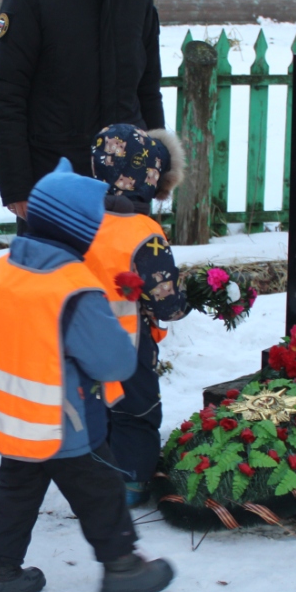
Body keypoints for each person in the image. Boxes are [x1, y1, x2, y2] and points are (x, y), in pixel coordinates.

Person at [0, 158, 174, 592]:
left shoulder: (4, 271)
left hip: (15, 412)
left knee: (15, 491)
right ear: (80, 230)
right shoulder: (72, 288)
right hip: (68, 420)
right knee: (101, 490)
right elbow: (114, 362)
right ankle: (123, 568)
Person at [0, 0, 165, 228]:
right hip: (55, 183)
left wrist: (158, 164)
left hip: (128, 183)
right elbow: (7, 96)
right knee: (56, 283)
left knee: (123, 283)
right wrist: (17, 185)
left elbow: (147, 87)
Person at [87, 123, 188, 506]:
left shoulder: (82, 219)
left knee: (94, 411)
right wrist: (183, 301)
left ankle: (94, 480)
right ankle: (130, 484)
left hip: (78, 343)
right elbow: (167, 302)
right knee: (136, 411)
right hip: (127, 346)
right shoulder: (144, 232)